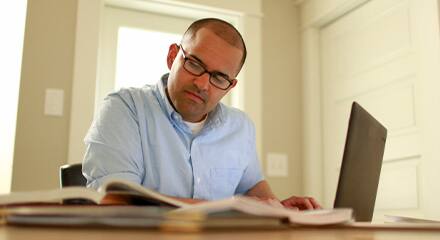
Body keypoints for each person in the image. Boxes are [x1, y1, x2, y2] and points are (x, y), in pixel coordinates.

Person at [83, 18, 320, 210]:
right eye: (194, 63)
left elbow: (251, 187)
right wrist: (230, 208)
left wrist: (279, 209)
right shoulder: (124, 109)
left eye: (218, 77)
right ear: (172, 56)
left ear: (230, 86)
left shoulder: (240, 126)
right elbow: (116, 202)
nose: (203, 84)